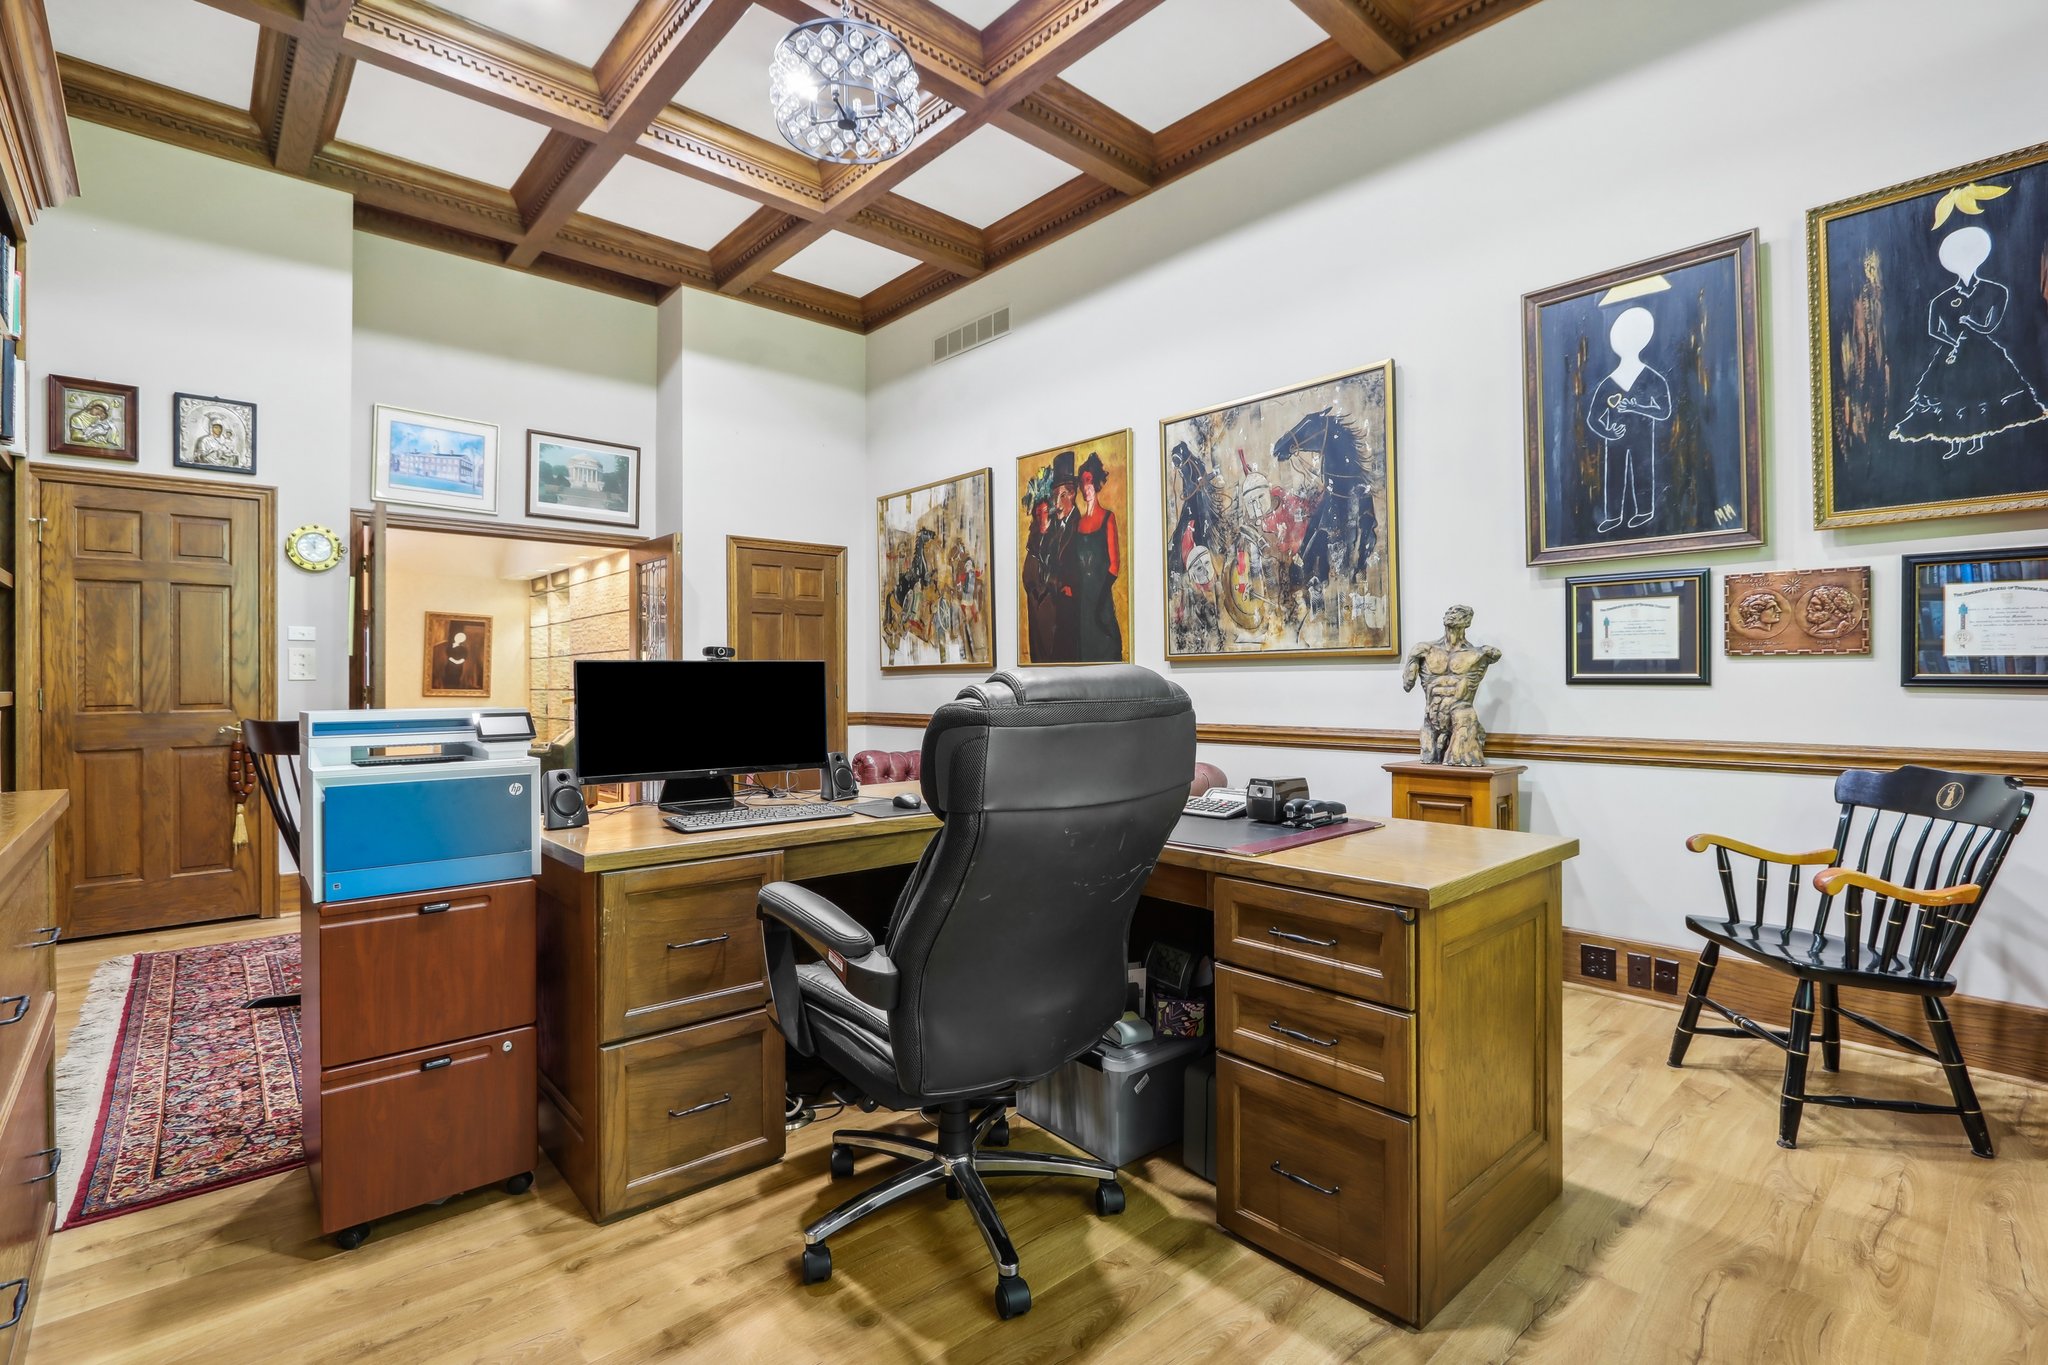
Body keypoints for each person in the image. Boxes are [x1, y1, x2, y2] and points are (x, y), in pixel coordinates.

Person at [1889, 225, 2048, 459]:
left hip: (1983, 352)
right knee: (1953, 396)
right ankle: (1955, 443)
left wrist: (1971, 324)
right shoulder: (1941, 300)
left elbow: (1990, 327)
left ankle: (1977, 440)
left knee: (1980, 393)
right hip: (1953, 354)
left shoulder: (1995, 291)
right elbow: (1933, 330)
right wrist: (1954, 343)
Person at [1585, 307, 1672, 533]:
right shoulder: (1608, 384)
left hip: (1642, 439)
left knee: (1643, 472)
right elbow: (1593, 417)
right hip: (1615, 442)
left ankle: (1644, 511)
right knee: (1613, 476)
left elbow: (1664, 411)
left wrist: (1637, 407)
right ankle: (1613, 516)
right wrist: (1608, 432)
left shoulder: (1652, 378)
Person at [1400, 604, 1502, 767]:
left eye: (1458, 612)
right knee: (1427, 761)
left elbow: (1496, 655)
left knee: (1460, 758)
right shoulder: (1424, 650)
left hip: (1462, 716)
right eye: (1450, 611)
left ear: (1468, 621)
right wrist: (1412, 661)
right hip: (1432, 716)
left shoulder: (1478, 654)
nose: (1452, 613)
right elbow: (1407, 684)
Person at [1066, 452, 1123, 662]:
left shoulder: (1108, 518)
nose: (1085, 487)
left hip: (1101, 598)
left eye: (1088, 480)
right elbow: (1073, 562)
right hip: (1082, 600)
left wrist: (1100, 598)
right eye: (1082, 482)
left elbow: (1114, 565)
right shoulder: (1077, 524)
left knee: (1107, 650)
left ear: (1096, 482)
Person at [1021, 497, 1059, 661]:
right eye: (1038, 514)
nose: (1042, 517)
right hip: (1034, 601)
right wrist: (1033, 589)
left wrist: (1046, 587)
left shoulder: (1056, 538)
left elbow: (1058, 571)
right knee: (1037, 644)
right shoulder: (1034, 539)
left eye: (1045, 512)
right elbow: (1027, 573)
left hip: (1050, 602)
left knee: (1050, 643)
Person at [432, 626, 483, 692]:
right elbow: (448, 654)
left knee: (456, 679)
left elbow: (463, 658)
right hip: (448, 668)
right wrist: (452, 660)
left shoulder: (464, 648)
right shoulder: (446, 646)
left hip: (458, 668)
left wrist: (456, 661)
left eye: (461, 638)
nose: (459, 639)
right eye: (458, 637)